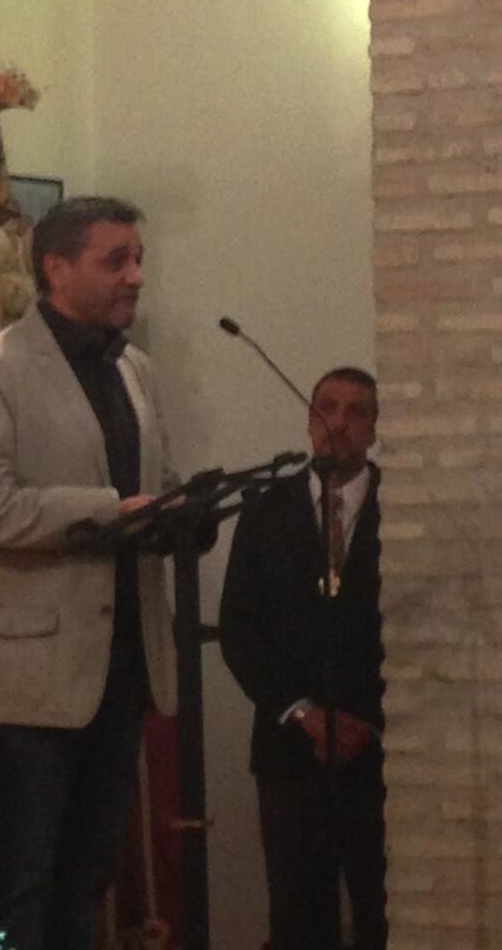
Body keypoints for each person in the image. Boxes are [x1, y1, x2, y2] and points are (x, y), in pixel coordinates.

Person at [0, 196, 179, 950]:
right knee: (22, 882)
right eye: (116, 261)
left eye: (138, 259)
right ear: (57, 267)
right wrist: (107, 512)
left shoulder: (136, 368)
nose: (136, 276)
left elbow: (151, 488)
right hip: (30, 677)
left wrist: (182, 515)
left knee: (89, 875)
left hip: (122, 667)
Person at [219, 367, 387, 950]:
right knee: (297, 921)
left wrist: (365, 721)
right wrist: (306, 713)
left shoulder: (406, 508)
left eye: (356, 411)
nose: (339, 422)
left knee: (386, 916)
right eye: (327, 408)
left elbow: (422, 630)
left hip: (380, 751)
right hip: (290, 751)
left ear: (374, 428)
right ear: (309, 420)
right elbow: (241, 630)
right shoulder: (265, 511)